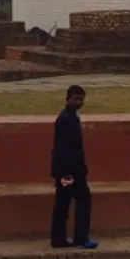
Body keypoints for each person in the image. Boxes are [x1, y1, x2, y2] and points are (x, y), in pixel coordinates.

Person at [50, 84, 98, 250]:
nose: (79, 102)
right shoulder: (66, 120)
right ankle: (80, 238)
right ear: (68, 99)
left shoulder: (70, 117)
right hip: (69, 172)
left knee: (63, 203)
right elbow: (62, 149)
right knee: (82, 200)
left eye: (81, 99)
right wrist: (67, 173)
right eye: (76, 99)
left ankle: (59, 238)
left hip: (70, 170)